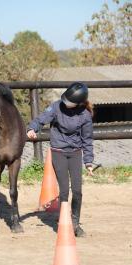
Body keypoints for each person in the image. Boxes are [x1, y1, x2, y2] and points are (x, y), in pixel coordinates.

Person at [27, 82, 94, 237]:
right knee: (64, 190)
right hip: (58, 152)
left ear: (79, 103)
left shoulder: (85, 115)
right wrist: (32, 128)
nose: (66, 103)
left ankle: (75, 223)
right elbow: (41, 119)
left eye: (70, 102)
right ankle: (64, 224)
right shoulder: (57, 107)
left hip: (76, 153)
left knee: (77, 190)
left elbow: (87, 139)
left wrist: (88, 162)